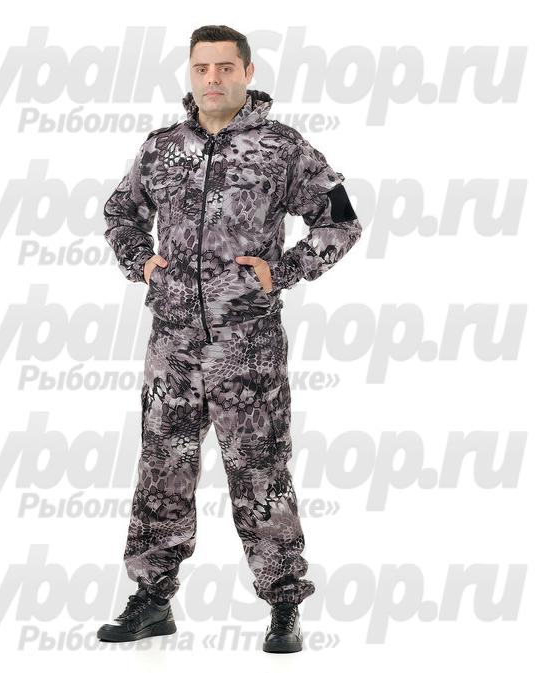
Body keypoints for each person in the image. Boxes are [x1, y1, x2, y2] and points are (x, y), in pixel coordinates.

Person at [97, 24, 361, 654]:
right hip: (172, 344)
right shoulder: (162, 149)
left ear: (247, 72)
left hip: (248, 345)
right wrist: (143, 263)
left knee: (260, 471)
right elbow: (120, 212)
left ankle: (284, 604)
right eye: (201, 68)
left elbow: (341, 221)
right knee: (162, 469)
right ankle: (152, 600)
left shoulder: (282, 148)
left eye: (224, 68)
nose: (211, 79)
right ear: (190, 74)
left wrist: (285, 271)